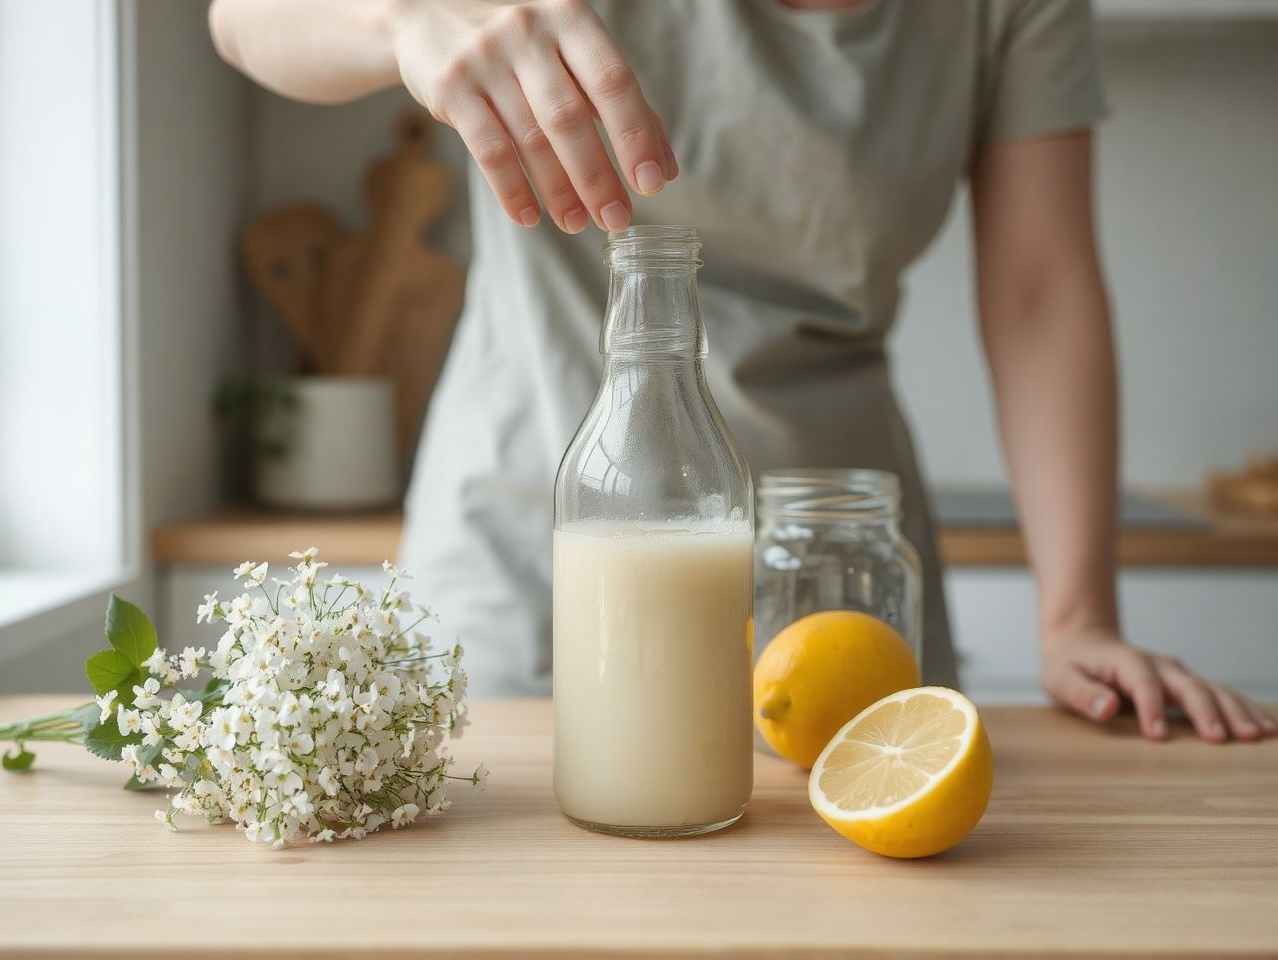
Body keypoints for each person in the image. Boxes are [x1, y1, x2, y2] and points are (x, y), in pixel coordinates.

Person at [210, 0, 1275, 741]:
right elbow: (243, 19)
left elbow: (1041, 292)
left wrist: (1076, 617)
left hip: (838, 578)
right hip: (534, 553)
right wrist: (400, 21)